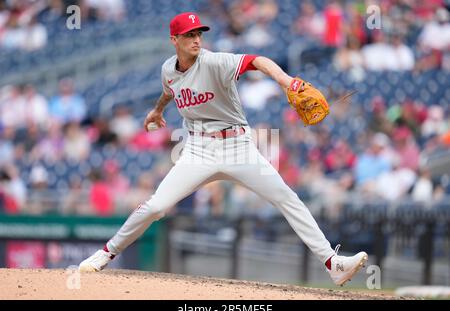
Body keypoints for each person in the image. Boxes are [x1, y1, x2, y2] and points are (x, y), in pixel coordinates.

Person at [79, 12, 368, 286]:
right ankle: (106, 253)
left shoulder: (215, 62)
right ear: (174, 40)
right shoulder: (168, 68)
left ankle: (333, 264)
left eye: (198, 33)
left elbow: (257, 60)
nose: (196, 39)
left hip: (238, 146)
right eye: (188, 34)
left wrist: (286, 81)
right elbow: (170, 89)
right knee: (156, 206)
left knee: (286, 198)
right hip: (198, 150)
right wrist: (157, 111)